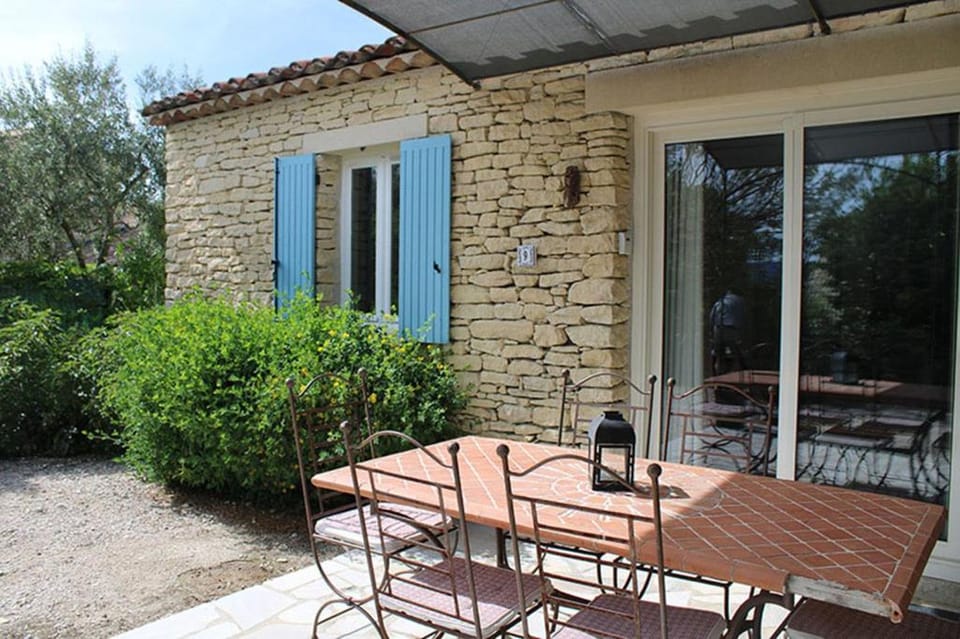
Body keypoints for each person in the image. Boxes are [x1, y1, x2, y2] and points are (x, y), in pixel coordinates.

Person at [709, 289, 746, 375]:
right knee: (735, 352)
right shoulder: (740, 301)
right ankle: (742, 370)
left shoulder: (721, 301)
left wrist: (711, 332)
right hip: (733, 329)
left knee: (718, 353)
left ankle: (718, 374)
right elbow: (743, 316)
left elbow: (712, 317)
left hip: (719, 329)